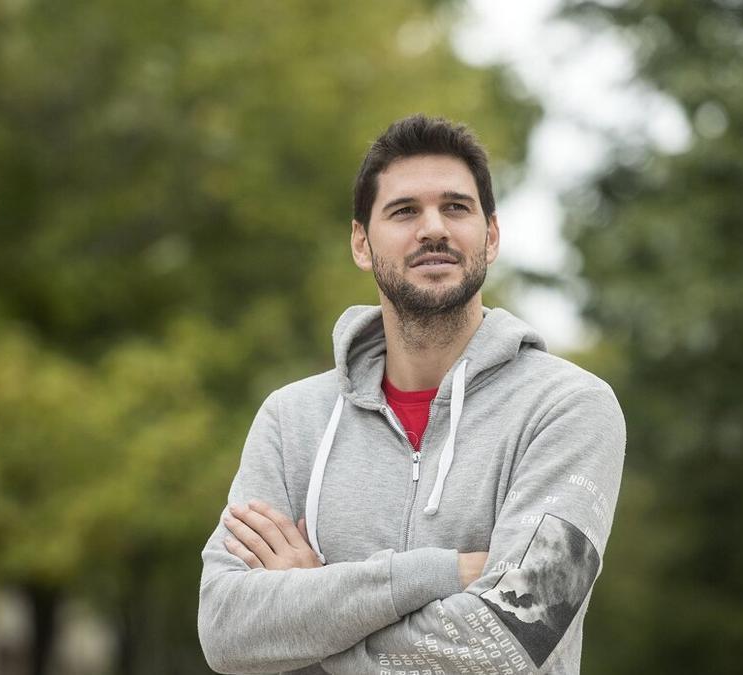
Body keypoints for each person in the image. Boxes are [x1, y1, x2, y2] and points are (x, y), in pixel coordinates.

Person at [197, 114, 625, 674]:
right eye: (404, 211)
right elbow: (226, 630)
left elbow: (510, 642)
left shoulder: (568, 408)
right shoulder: (292, 420)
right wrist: (441, 574)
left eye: (456, 207)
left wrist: (312, 616)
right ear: (361, 242)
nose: (433, 229)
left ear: (490, 236)